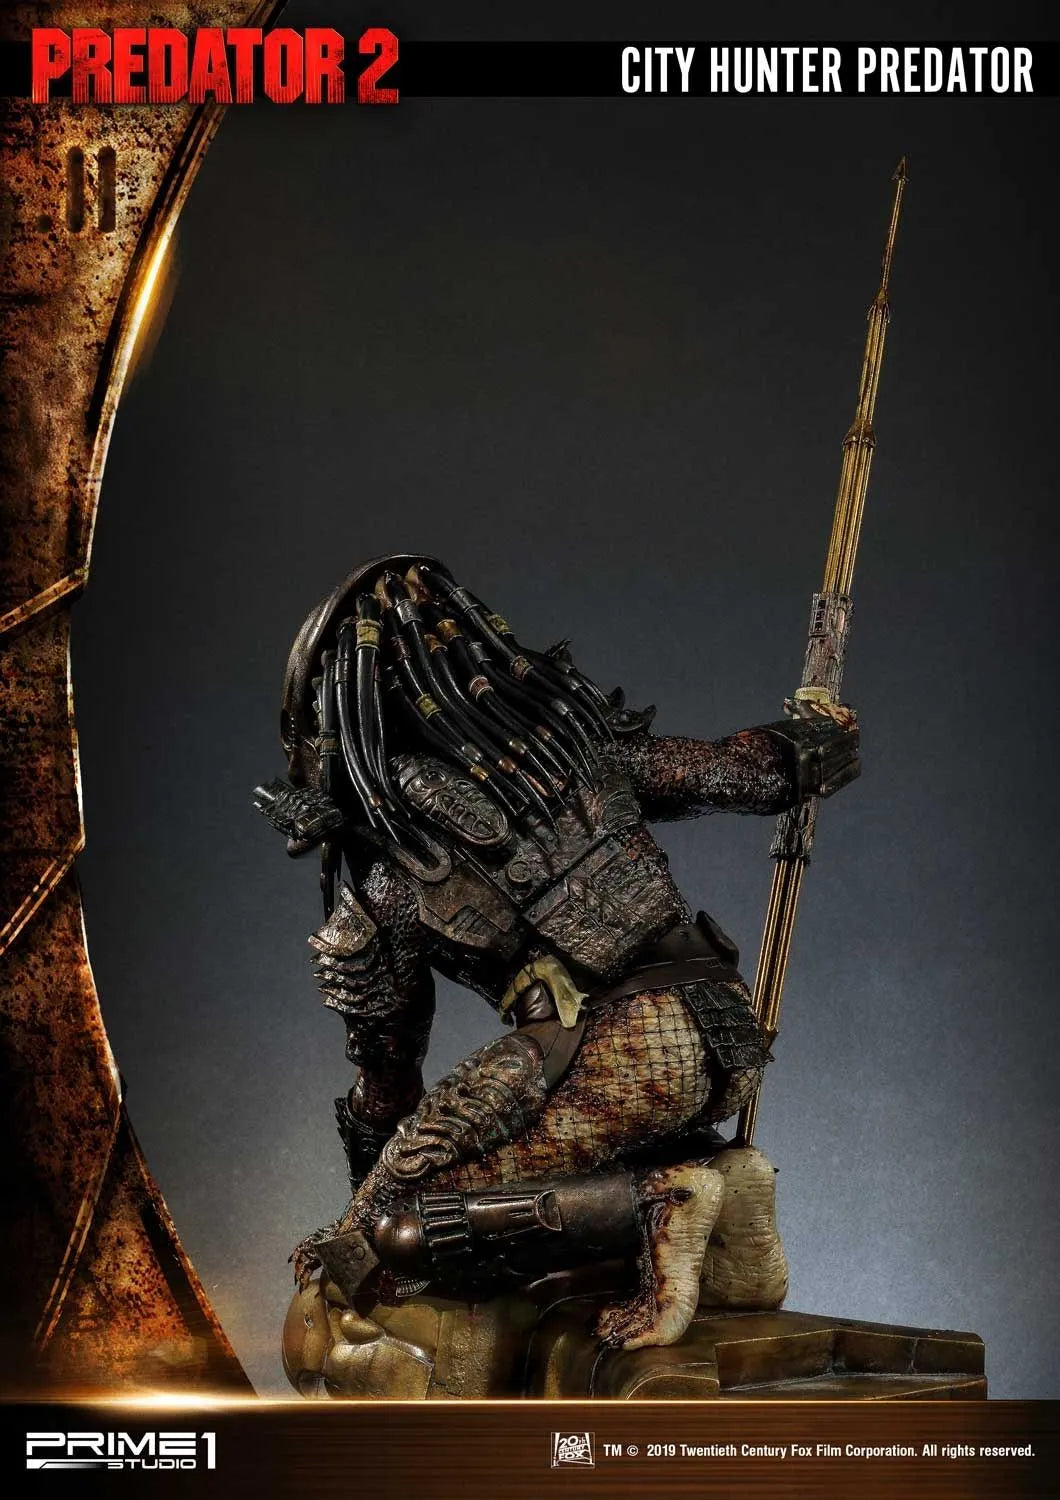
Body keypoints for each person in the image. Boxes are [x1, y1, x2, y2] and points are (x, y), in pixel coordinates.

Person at [256, 553, 859, 1350]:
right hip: (727, 1031)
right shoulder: (575, 752)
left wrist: (362, 1212)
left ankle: (662, 1200)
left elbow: (387, 1082)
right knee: (555, 1156)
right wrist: (811, 740)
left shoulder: (390, 872)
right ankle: (734, 1182)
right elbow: (742, 771)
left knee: (397, 1228)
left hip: (619, 1060)